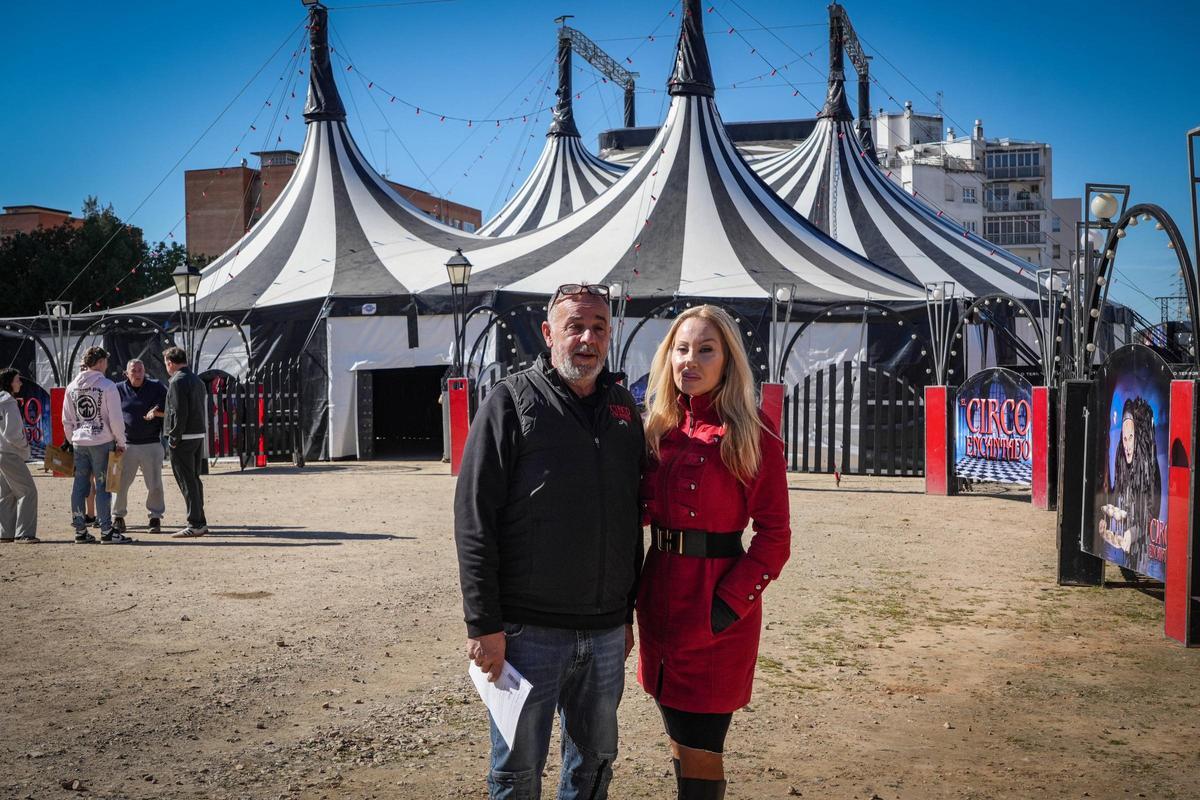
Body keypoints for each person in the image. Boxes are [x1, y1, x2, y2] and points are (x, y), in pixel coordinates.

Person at [454, 283, 645, 799]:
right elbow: (474, 519)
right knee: (516, 773)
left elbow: (629, 516)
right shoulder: (510, 402)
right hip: (526, 635)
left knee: (595, 768)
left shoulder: (625, 410)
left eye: (599, 328)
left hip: (605, 633)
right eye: (574, 327)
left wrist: (625, 615)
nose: (587, 338)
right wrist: (484, 625)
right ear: (547, 333)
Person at [637, 305, 790, 800]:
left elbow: (774, 536)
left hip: (713, 607)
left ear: (728, 360)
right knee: (678, 738)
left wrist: (727, 608)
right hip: (658, 596)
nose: (690, 360)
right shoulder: (659, 428)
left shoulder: (753, 431)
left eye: (706, 350)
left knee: (703, 748)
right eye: (681, 349)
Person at [63, 346, 131, 544]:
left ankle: (80, 530)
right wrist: (121, 441)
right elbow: (116, 419)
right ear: (101, 362)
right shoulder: (107, 385)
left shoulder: (71, 386)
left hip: (79, 441)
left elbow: (66, 419)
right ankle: (107, 530)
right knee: (103, 486)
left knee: (79, 486)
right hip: (102, 441)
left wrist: (72, 439)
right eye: (106, 362)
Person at [113, 359, 168, 534]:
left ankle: (155, 517)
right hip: (125, 445)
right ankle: (118, 517)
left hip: (151, 443)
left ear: (145, 371)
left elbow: (170, 406)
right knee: (120, 484)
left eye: (140, 370)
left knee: (155, 485)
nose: (137, 374)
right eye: (133, 371)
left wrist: (156, 411)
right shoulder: (118, 389)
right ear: (126, 373)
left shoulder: (156, 386)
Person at [162, 347, 208, 538]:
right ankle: (200, 521)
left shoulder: (177, 381)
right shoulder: (197, 379)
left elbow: (179, 412)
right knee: (194, 479)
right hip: (197, 435)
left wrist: (174, 437)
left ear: (170, 363)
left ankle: (195, 523)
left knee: (187, 481)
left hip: (184, 437)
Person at [0, 369, 39, 543]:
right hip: (9, 453)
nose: (20, 383)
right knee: (28, 491)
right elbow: (13, 434)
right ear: (10, 383)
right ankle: (24, 533)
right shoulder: (9, 402)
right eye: (17, 380)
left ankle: (5, 533)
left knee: (6, 494)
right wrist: (25, 446)